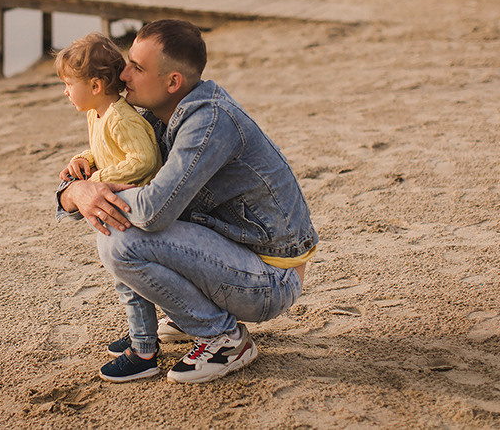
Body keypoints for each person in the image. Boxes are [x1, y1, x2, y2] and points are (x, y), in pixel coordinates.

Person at [56, 19, 317, 384]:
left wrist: (92, 191)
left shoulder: (209, 124)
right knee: (120, 229)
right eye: (128, 61)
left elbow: (153, 212)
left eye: (137, 67)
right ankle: (189, 317)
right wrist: (75, 191)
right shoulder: (152, 116)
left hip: (270, 278)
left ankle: (223, 338)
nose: (123, 73)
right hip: (236, 256)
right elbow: (109, 174)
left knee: (119, 242)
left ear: (173, 82)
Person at [54, 32, 162, 187]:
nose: (66, 91)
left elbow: (143, 161)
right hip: (116, 186)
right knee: (70, 184)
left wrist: (100, 177)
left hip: (137, 192)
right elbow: (107, 150)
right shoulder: (94, 112)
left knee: (74, 192)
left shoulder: (121, 119)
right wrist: (84, 159)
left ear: (95, 86)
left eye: (69, 84)